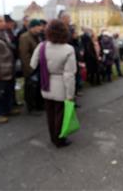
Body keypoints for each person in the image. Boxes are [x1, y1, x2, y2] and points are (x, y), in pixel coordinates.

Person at [30, 19, 77, 148]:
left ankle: (53, 137)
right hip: (61, 85)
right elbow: (69, 74)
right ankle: (59, 140)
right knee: (60, 115)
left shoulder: (42, 46)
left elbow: (32, 64)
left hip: (46, 84)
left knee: (50, 113)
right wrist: (70, 94)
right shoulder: (68, 49)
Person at [19, 19, 43, 112]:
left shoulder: (37, 36)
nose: (40, 28)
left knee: (37, 88)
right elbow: (24, 55)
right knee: (30, 89)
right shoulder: (25, 37)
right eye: (38, 27)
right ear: (33, 27)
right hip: (30, 68)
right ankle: (31, 108)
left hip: (37, 66)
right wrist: (30, 69)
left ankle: (38, 105)